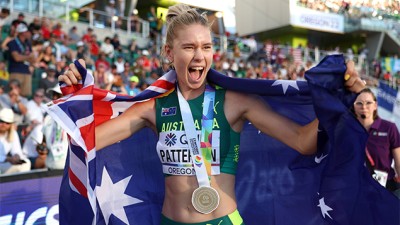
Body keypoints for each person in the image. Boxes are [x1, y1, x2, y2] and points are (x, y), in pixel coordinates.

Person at [59, 4, 365, 224]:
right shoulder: (153, 108)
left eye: (206, 47)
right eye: (189, 47)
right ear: (170, 53)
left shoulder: (235, 102)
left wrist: (339, 103)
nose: (199, 56)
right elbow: (88, 140)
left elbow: (302, 141)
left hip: (223, 221)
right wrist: (74, 96)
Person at [353, 88, 400, 194]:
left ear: (375, 105)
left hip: (385, 188)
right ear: (354, 106)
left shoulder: (389, 128)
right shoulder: (348, 130)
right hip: (356, 188)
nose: (364, 107)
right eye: (359, 103)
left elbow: (398, 161)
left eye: (368, 103)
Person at [0, 108, 30, 174]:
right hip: (3, 163)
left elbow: (16, 150)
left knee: (26, 163)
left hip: (3, 165)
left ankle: (23, 184)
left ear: (11, 124)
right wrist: (8, 159)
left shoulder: (13, 133)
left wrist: (17, 157)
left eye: (7, 123)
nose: (3, 125)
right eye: (1, 121)